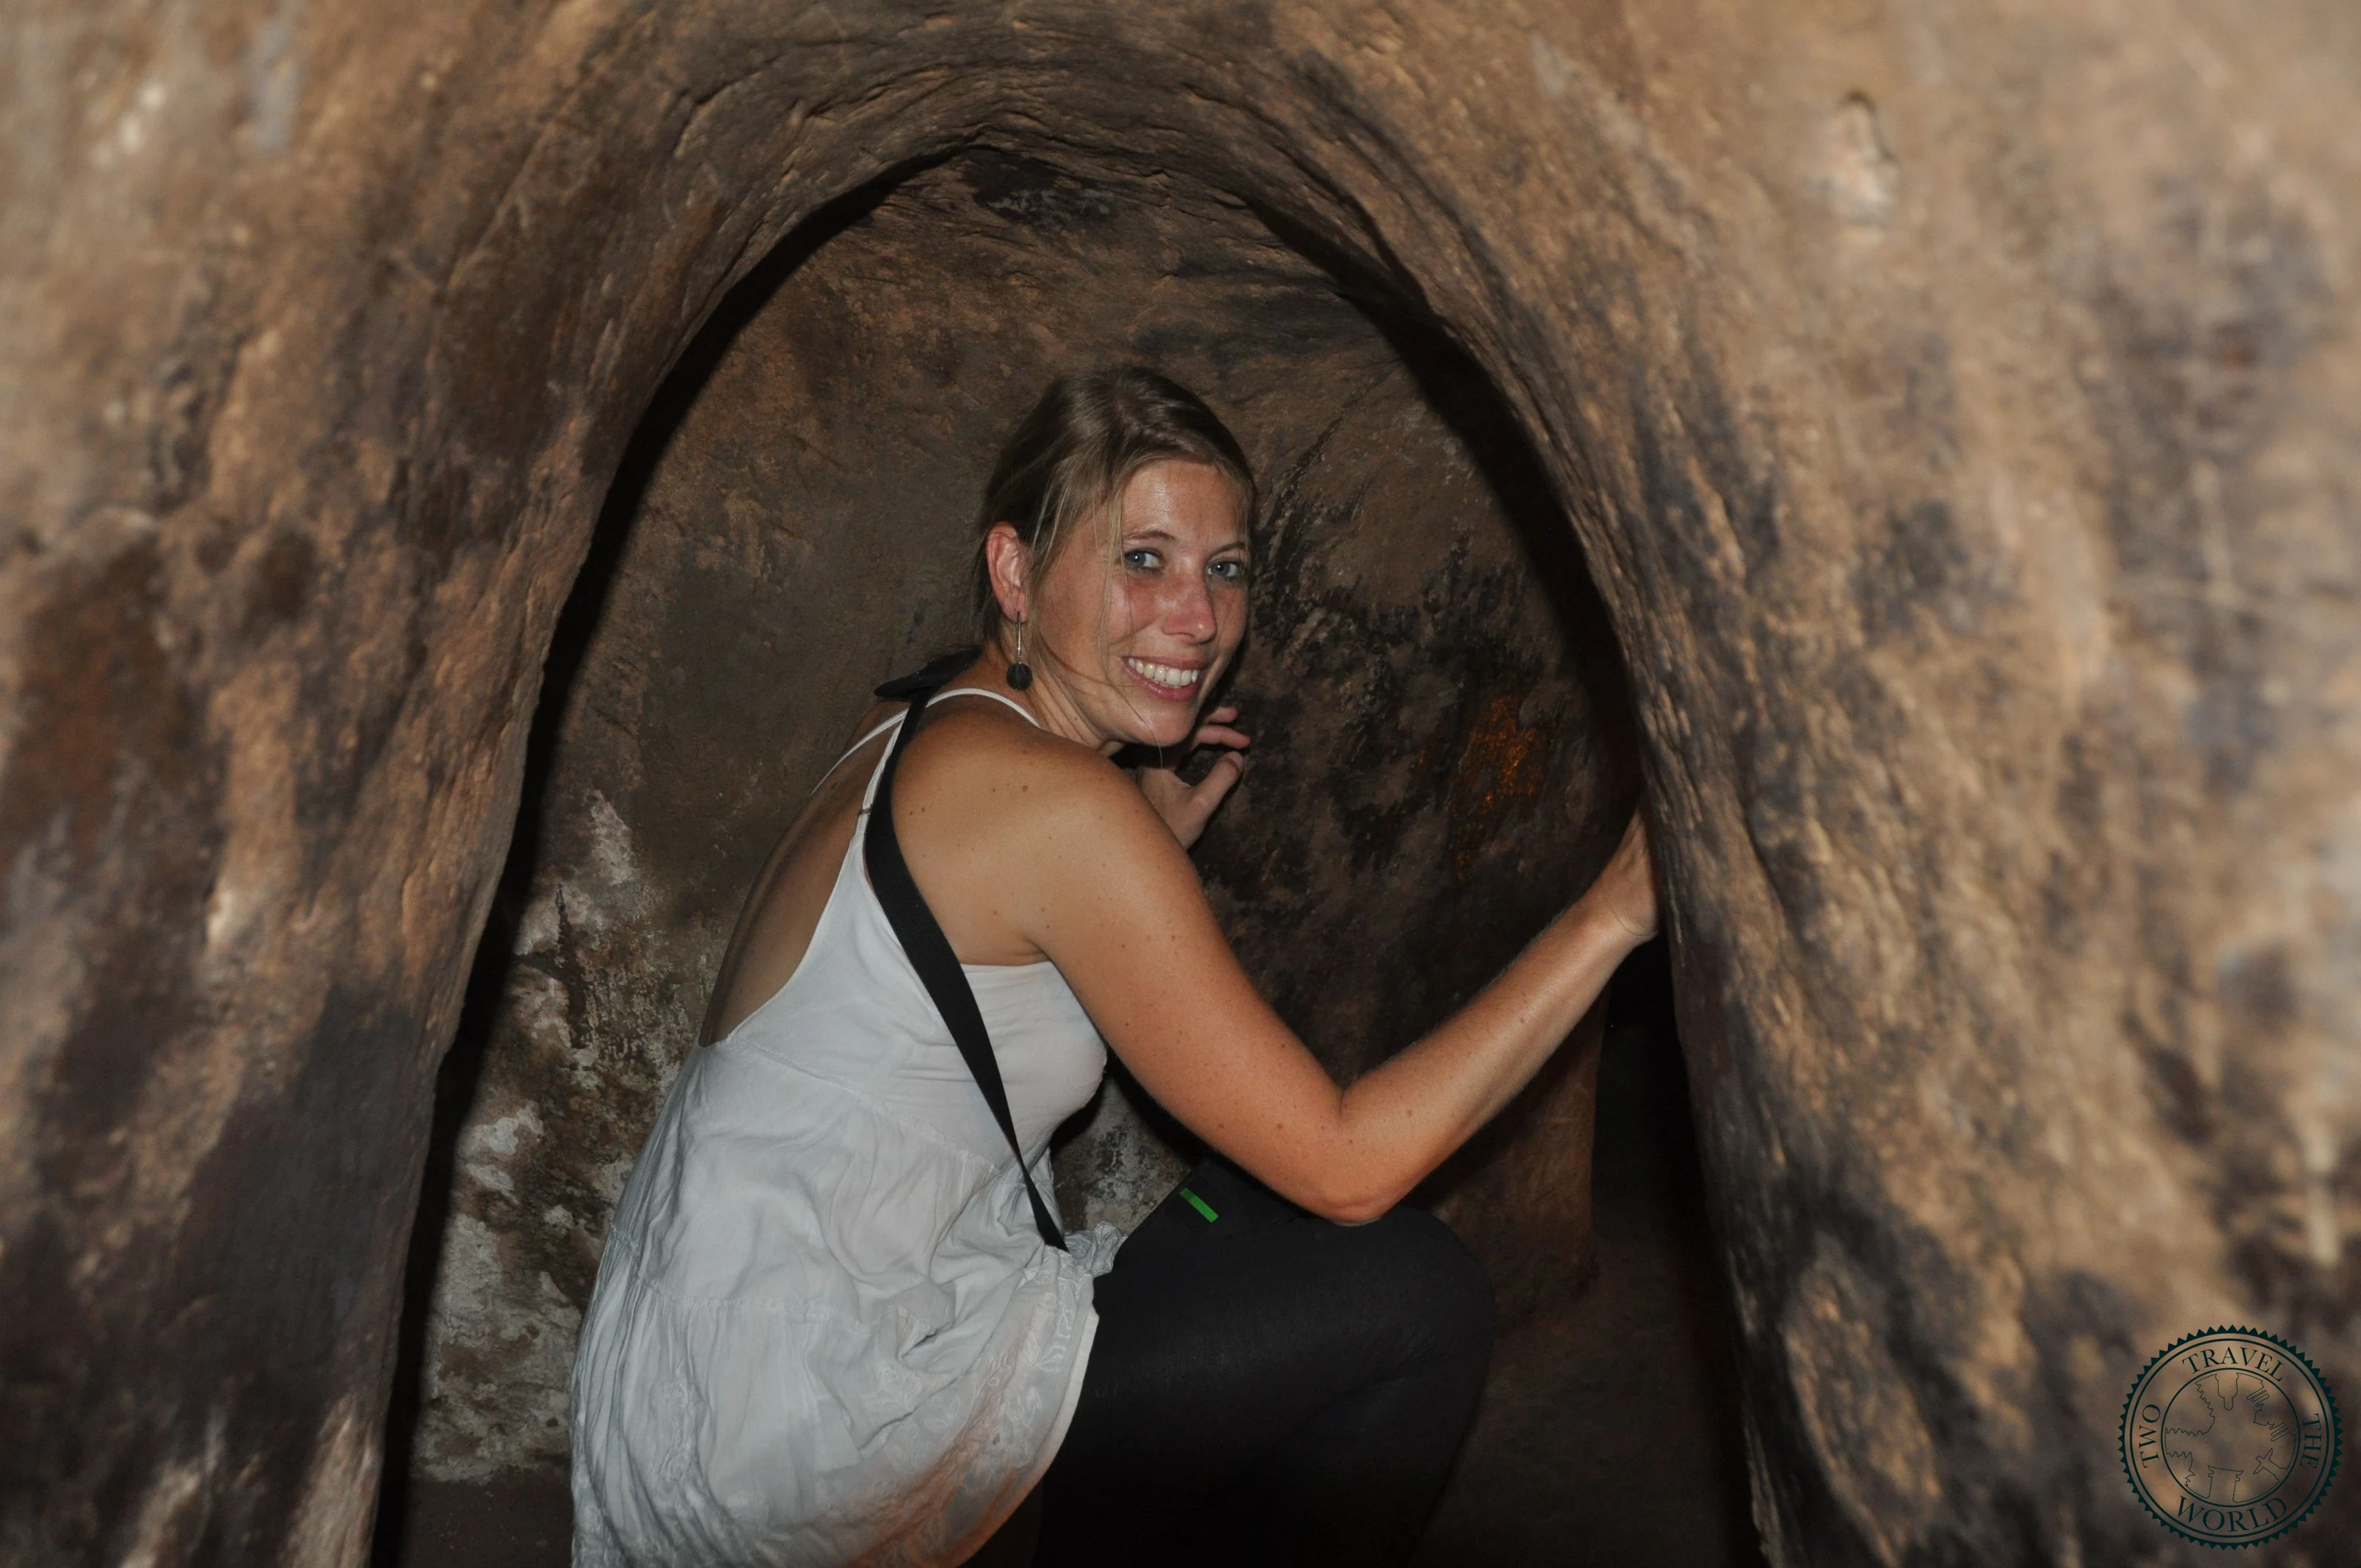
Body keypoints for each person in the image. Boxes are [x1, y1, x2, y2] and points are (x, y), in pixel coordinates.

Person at [568, 367, 1659, 1568]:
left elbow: (957, 947)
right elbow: (1351, 1163)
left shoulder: (937, 721)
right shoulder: (1062, 811)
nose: (1197, 619)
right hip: (804, 1424)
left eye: (1226, 569)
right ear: (1018, 573)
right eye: (1143, 560)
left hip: (695, 1362)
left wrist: (1147, 842)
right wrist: (1609, 915)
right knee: (1417, 1294)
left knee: (1246, 1211)